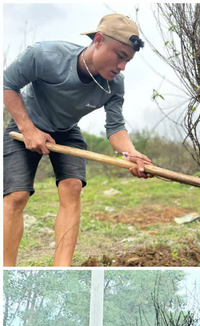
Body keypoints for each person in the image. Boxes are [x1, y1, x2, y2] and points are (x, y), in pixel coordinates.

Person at [3, 14, 153, 266]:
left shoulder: (114, 86)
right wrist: (29, 130)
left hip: (66, 131)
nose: (122, 66)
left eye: (128, 60)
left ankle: (62, 269)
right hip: (24, 123)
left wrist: (132, 154)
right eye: (119, 55)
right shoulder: (46, 55)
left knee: (72, 187)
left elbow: (115, 128)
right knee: (16, 196)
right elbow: (8, 85)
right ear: (99, 39)